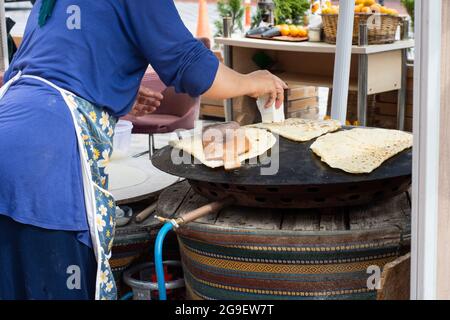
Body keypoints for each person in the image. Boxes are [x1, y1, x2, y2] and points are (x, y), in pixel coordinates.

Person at [0, 0, 286, 300]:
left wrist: (118, 90)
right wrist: (250, 82)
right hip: (45, 158)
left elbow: (53, 65)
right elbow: (191, 66)